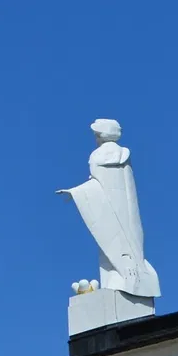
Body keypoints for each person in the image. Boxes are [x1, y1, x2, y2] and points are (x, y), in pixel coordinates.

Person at [57, 119, 160, 298]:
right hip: (126, 212)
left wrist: (76, 192)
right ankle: (128, 278)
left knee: (114, 242)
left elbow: (98, 187)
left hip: (110, 209)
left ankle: (125, 279)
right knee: (128, 243)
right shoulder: (123, 156)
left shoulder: (98, 156)